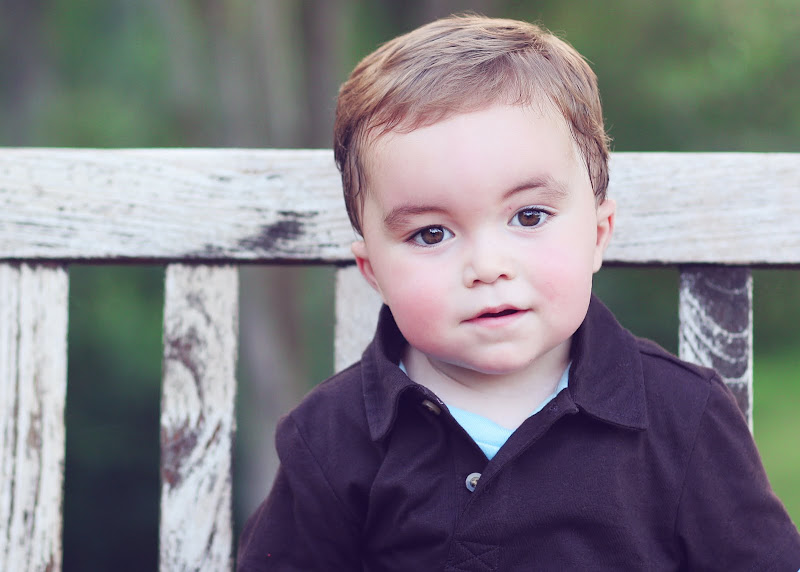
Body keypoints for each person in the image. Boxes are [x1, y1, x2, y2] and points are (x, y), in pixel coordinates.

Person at [238, 14, 800, 570]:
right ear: (373, 271)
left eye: (529, 216)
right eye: (431, 234)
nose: (487, 267)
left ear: (597, 233)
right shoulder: (331, 436)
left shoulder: (683, 415)